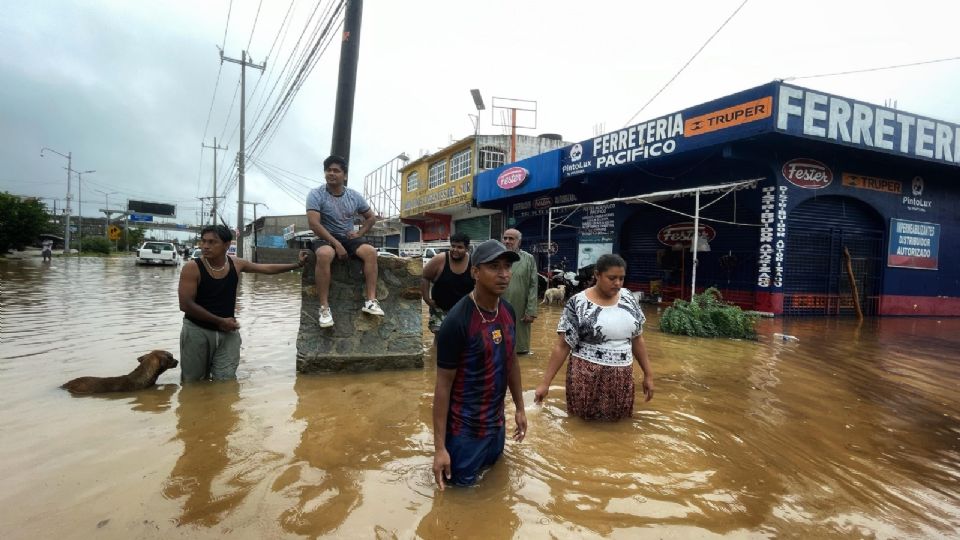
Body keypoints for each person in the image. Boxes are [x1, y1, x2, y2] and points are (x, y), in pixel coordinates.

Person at [432, 239, 527, 489]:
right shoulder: (457, 321)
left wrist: (519, 408)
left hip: (497, 426)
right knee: (459, 499)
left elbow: (511, 362)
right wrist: (440, 448)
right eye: (494, 267)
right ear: (475, 272)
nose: (504, 274)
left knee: (494, 488)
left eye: (507, 267)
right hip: (465, 433)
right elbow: (442, 387)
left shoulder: (507, 311)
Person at [178, 225, 307, 383]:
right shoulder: (192, 268)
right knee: (193, 383)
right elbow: (185, 305)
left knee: (226, 382)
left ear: (227, 245)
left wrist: (297, 265)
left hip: (228, 332)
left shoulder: (236, 264)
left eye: (212, 242)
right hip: (197, 330)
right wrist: (219, 321)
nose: (205, 246)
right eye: (203, 241)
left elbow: (266, 268)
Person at [534, 254, 654, 421]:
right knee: (582, 425)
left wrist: (648, 374)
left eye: (621, 278)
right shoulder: (577, 303)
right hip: (586, 378)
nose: (618, 283)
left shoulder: (628, 298)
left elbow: (637, 339)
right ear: (597, 275)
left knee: (618, 427)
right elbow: (562, 346)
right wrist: (545, 383)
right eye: (612, 278)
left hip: (622, 379)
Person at [306, 155, 383, 328]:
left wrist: (359, 232)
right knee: (325, 254)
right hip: (324, 237)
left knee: (370, 252)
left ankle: (370, 301)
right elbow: (314, 224)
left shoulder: (354, 196)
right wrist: (336, 243)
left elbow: (370, 218)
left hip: (347, 237)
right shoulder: (316, 194)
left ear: (345, 176)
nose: (331, 174)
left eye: (336, 171)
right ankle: (324, 308)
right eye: (328, 170)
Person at [421, 232, 474, 333]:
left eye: (460, 247)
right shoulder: (440, 259)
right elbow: (425, 277)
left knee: (462, 339)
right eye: (453, 246)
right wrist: (427, 299)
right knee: (439, 339)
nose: (455, 250)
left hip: (464, 311)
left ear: (467, 249)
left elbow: (479, 285)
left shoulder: (473, 263)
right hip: (440, 309)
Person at [501, 229, 538, 354]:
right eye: (505, 238)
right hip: (498, 304)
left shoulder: (528, 259)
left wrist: (531, 310)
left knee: (520, 347)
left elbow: (533, 285)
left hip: (520, 306)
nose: (507, 241)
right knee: (497, 341)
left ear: (519, 242)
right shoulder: (496, 257)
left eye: (511, 239)